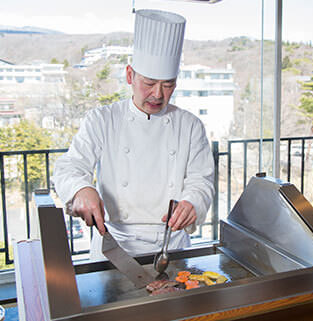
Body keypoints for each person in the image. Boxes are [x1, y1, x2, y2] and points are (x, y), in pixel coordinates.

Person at [52, 9, 215, 260]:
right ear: (130, 75)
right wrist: (81, 189)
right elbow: (70, 166)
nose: (158, 94)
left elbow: (201, 180)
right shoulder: (102, 119)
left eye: (168, 84)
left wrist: (193, 202)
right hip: (114, 246)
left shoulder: (190, 125)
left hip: (171, 247)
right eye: (149, 83)